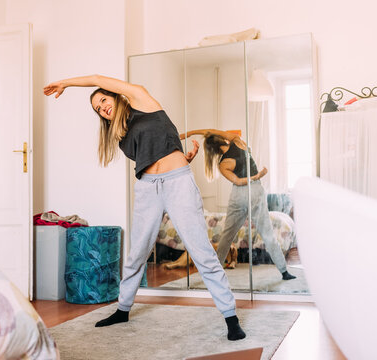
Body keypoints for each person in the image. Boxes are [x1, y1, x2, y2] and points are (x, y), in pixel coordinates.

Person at [44, 75, 246, 341]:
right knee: (137, 253)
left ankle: (230, 317)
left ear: (116, 95)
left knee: (201, 252)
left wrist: (66, 84)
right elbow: (155, 151)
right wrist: (178, 153)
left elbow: (95, 78)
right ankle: (123, 309)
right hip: (148, 187)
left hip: (178, 183)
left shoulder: (143, 100)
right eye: (97, 109)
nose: (102, 107)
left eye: (103, 99)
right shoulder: (122, 136)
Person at [180, 129, 296, 281]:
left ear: (211, 151)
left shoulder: (223, 164)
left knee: (227, 236)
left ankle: (214, 274)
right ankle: (284, 271)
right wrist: (258, 176)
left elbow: (238, 181)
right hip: (255, 190)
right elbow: (211, 131)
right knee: (267, 234)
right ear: (222, 139)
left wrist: (188, 135)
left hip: (238, 195)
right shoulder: (237, 141)